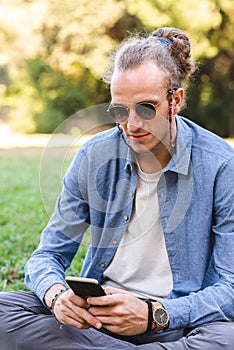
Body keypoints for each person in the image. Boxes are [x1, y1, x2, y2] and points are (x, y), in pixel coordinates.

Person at [0, 26, 233, 350]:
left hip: (175, 323)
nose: (132, 124)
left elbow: (229, 289)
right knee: (4, 310)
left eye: (146, 108)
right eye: (120, 110)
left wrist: (154, 315)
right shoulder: (94, 155)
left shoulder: (222, 166)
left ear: (175, 101)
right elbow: (47, 256)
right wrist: (57, 299)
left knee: (226, 338)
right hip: (98, 320)